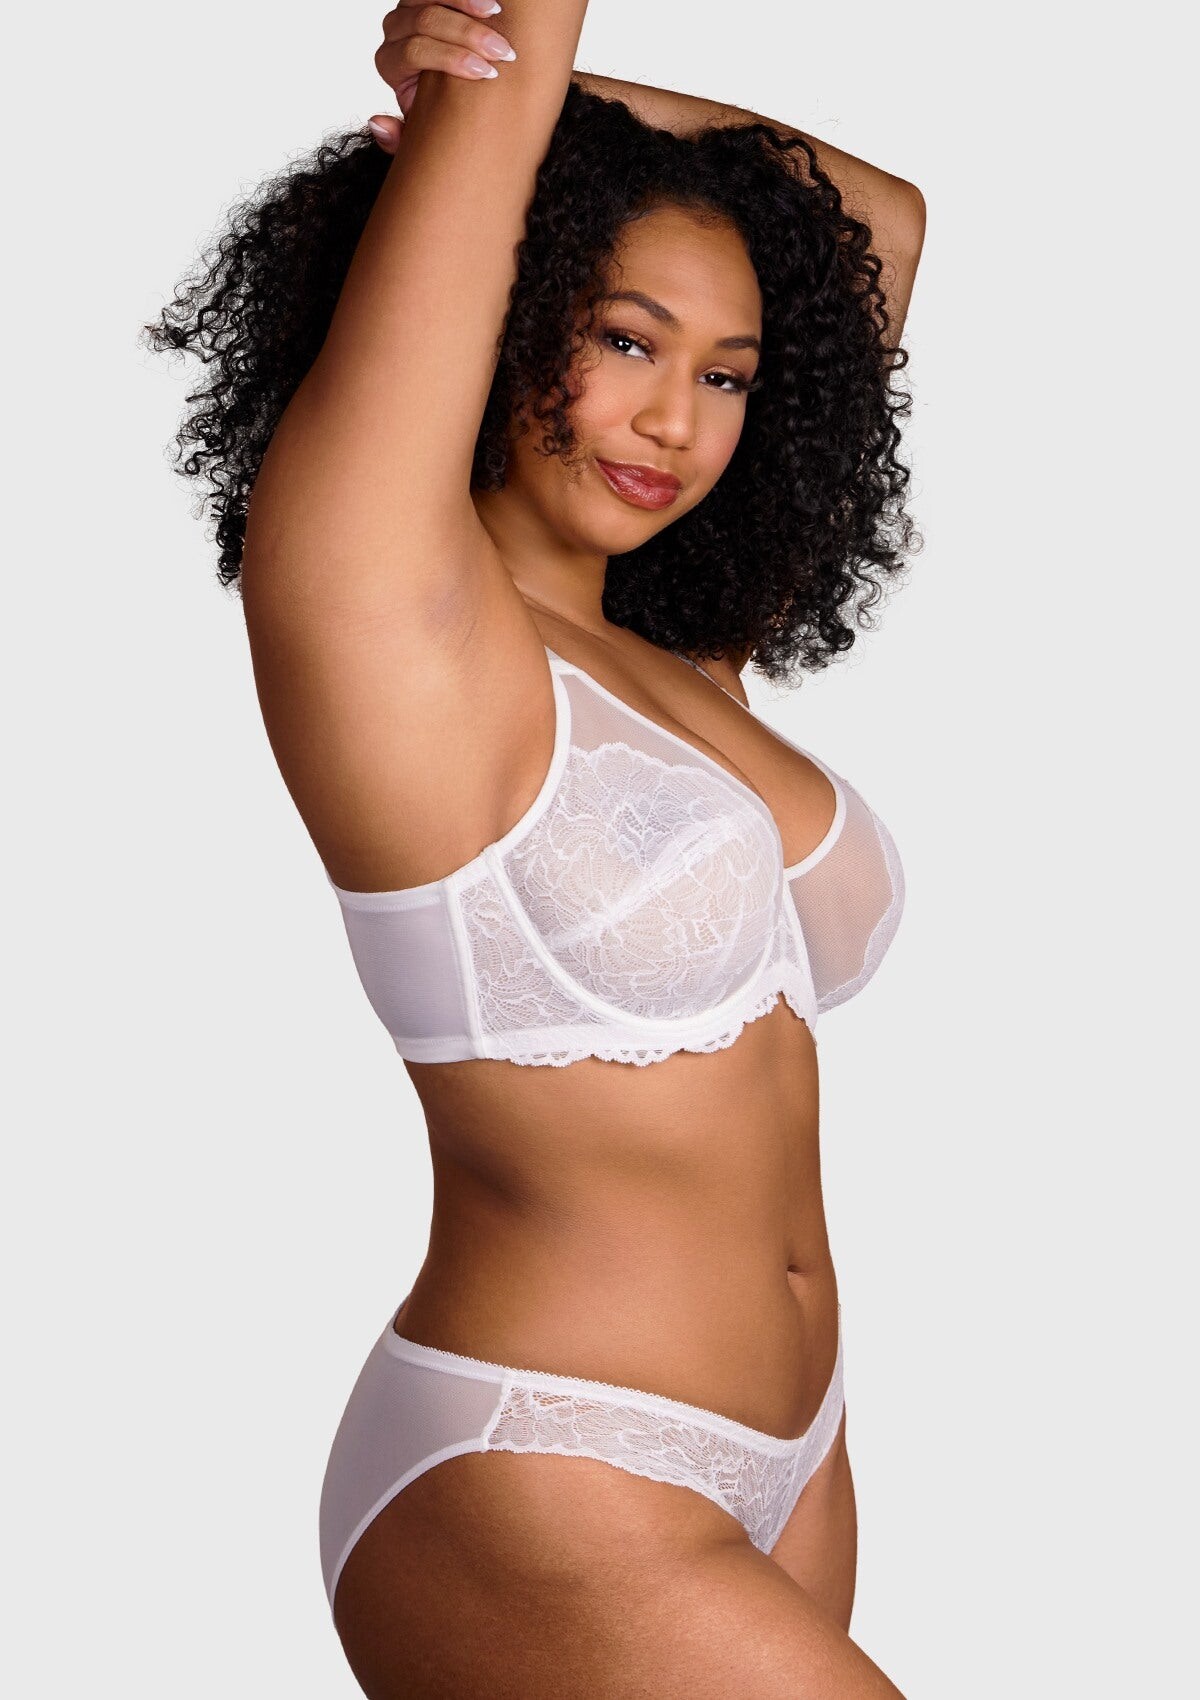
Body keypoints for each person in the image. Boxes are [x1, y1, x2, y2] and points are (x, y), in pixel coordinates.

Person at [150, 2, 925, 1692]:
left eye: (725, 376)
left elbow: (875, 218)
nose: (676, 423)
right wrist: (495, 100)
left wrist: (560, 103)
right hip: (545, 1462)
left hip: (794, 1464)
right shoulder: (384, 614)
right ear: (509, 310)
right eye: (626, 341)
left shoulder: (684, 656)